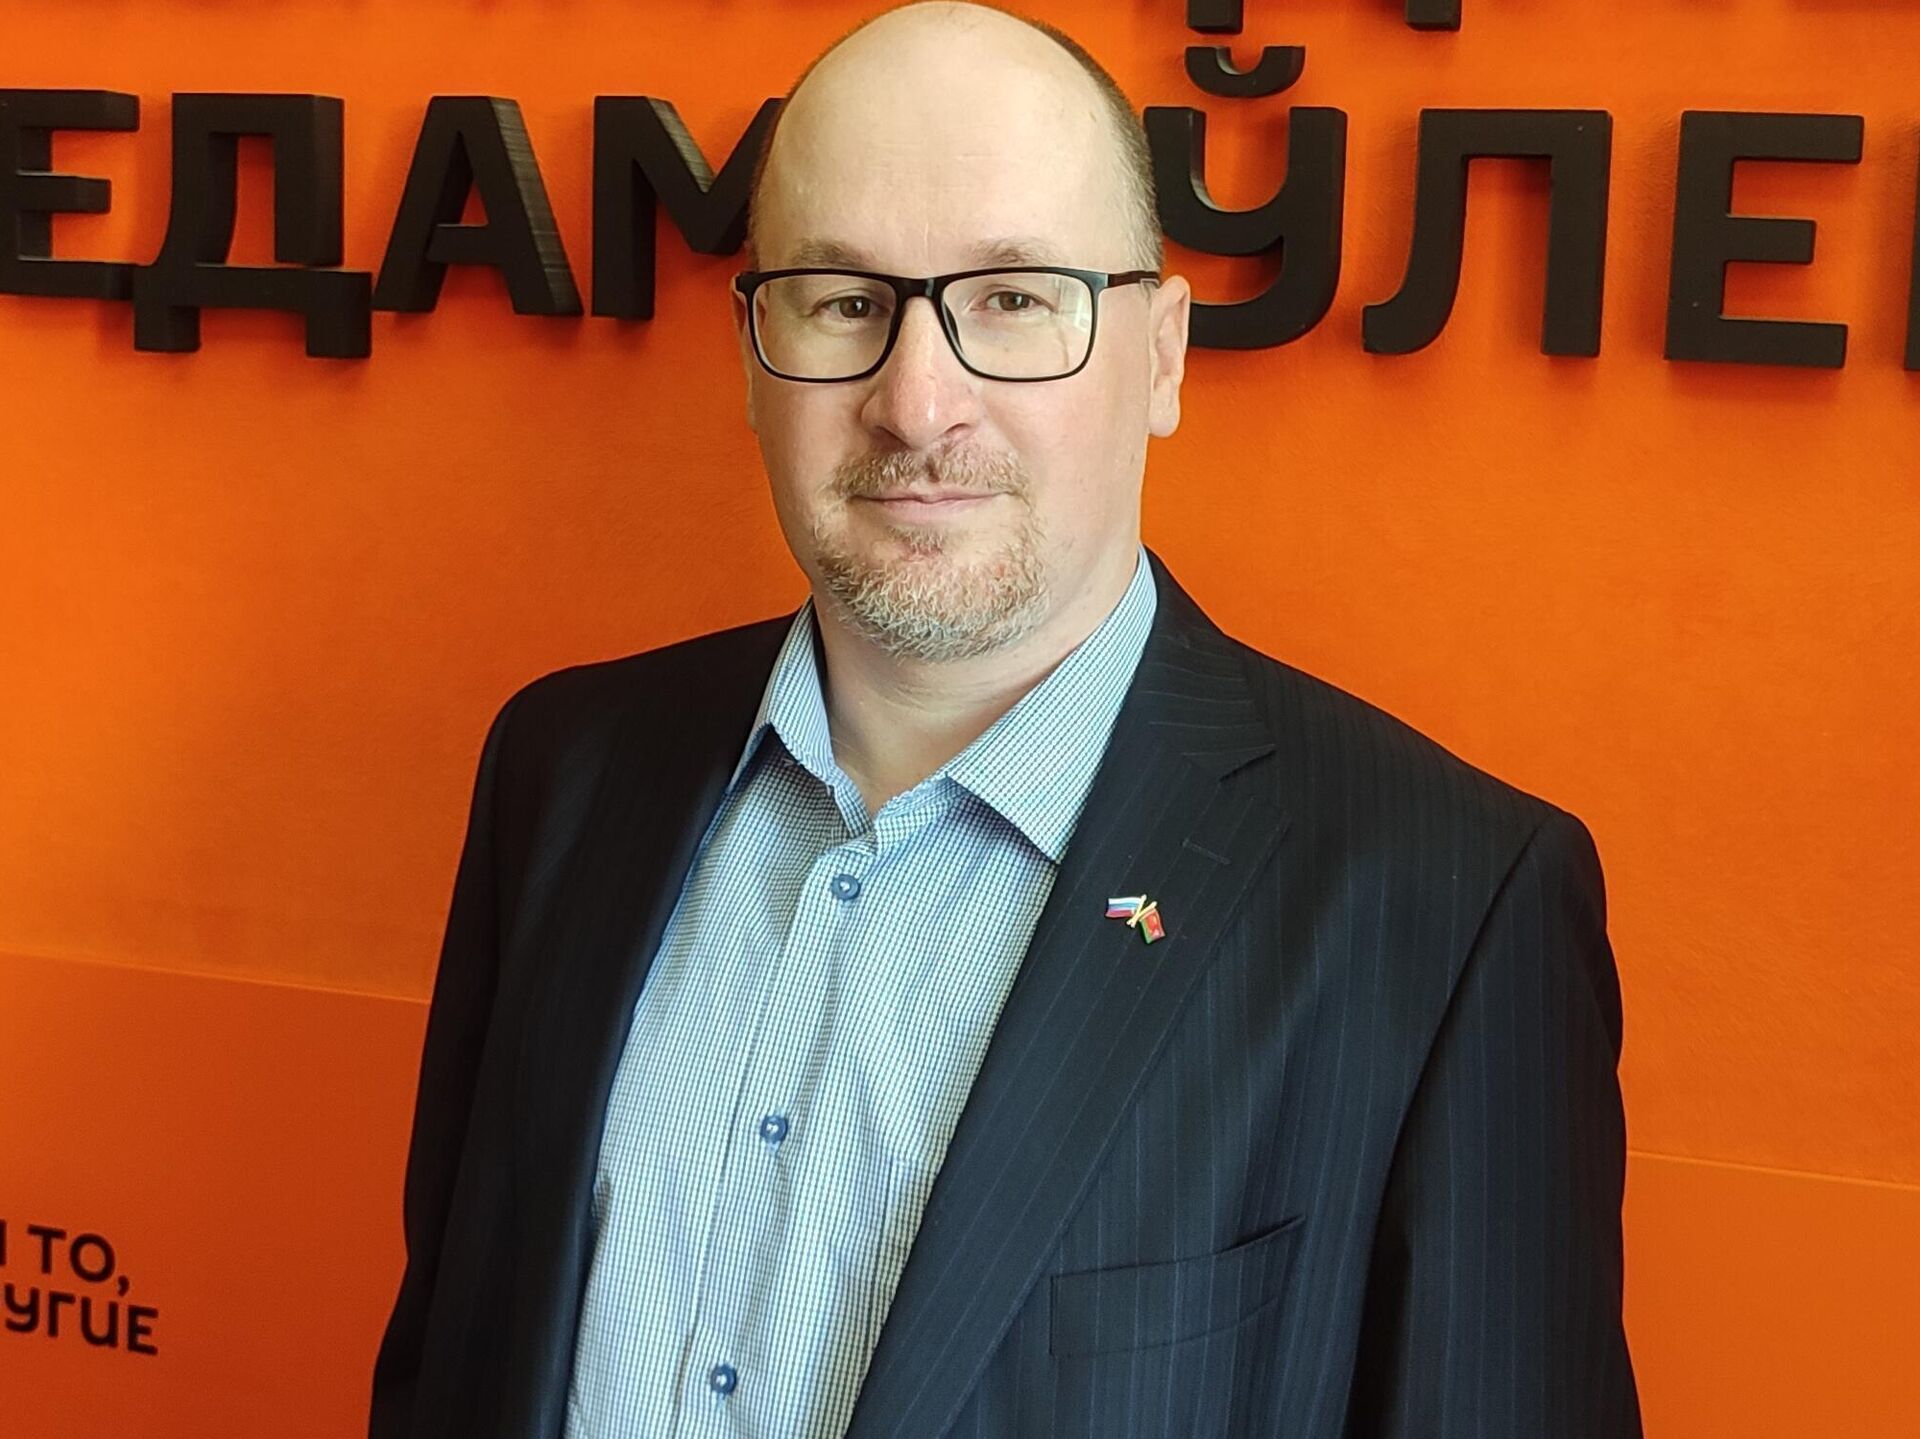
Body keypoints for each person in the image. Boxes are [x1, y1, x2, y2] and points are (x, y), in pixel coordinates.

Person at [369, 3, 1642, 1436]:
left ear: (1162, 355)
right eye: (844, 302)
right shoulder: (565, 771)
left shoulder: (1448, 905)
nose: (919, 405)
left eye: (1016, 300)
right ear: (752, 352)